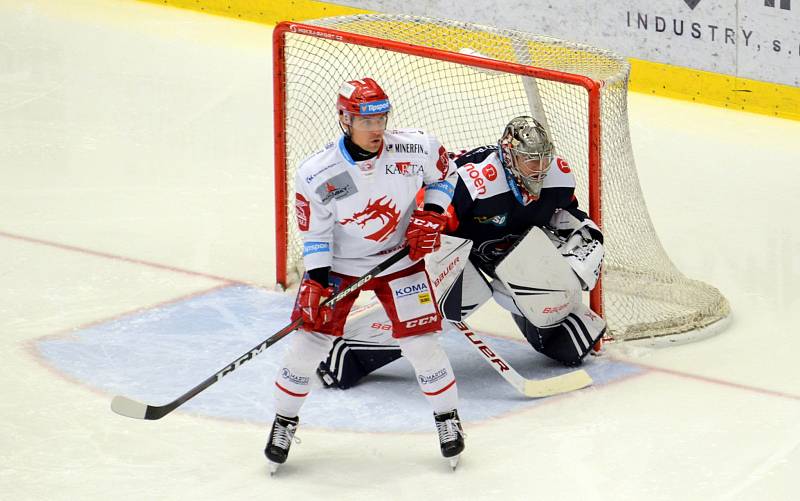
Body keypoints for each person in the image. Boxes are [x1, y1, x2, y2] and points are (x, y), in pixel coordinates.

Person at [316, 116, 607, 390]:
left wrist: (584, 237)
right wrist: (426, 226)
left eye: (544, 157)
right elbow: (425, 205)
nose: (540, 167)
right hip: (454, 246)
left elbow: (567, 214)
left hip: (510, 249)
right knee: (449, 300)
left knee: (571, 344)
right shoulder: (474, 181)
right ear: (508, 155)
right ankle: (349, 350)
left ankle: (551, 333)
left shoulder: (558, 176)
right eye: (530, 159)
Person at [265, 78, 465, 474]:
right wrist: (318, 283)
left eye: (381, 119)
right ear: (344, 119)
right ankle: (283, 422)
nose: (376, 130)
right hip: (339, 267)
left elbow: (446, 175)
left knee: (422, 346)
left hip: (399, 261)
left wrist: (433, 212)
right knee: (308, 345)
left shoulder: (416, 145)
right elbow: (316, 235)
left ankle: (448, 419)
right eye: (365, 121)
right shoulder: (318, 173)